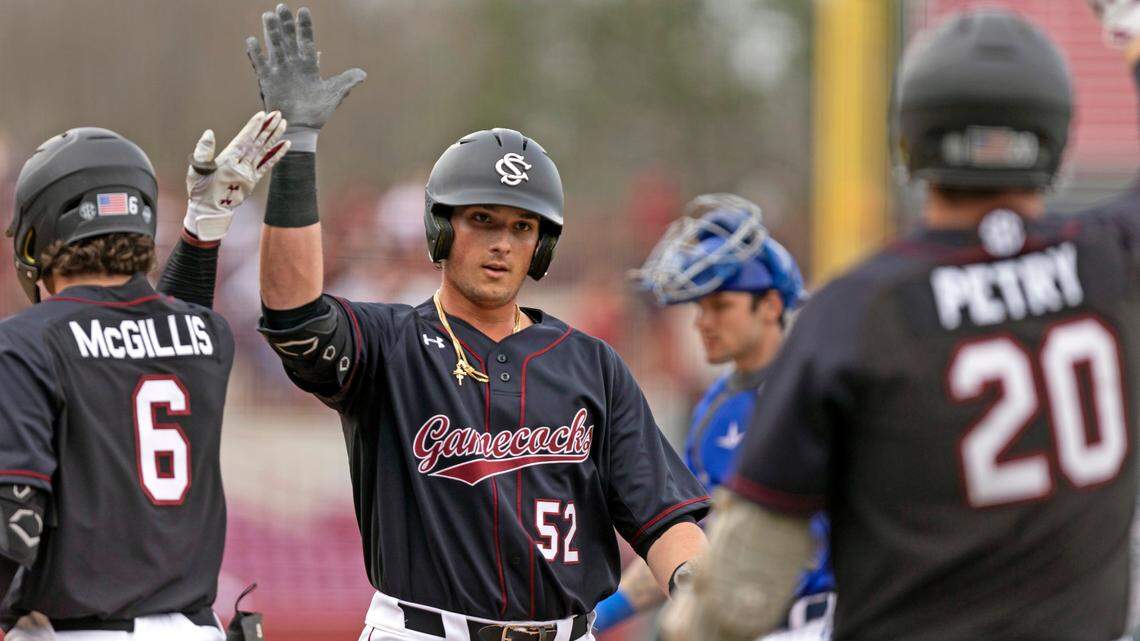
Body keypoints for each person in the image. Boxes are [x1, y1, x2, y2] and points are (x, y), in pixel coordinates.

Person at [663, 7, 1140, 641]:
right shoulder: (1112, 262)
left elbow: (741, 594)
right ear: (1055, 136)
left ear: (911, 140)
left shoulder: (852, 315)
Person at [244, 5, 710, 641]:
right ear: (441, 229)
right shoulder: (390, 345)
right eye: (482, 220)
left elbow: (662, 514)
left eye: (522, 227)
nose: (502, 244)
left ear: (542, 246)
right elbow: (293, 314)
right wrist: (297, 151)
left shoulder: (590, 365)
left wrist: (703, 589)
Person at [0, 112, 289, 640]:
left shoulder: (24, 342)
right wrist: (203, 227)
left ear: (34, 238)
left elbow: (12, 521)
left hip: (78, 630)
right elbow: (160, 325)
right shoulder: (209, 337)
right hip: (197, 629)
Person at [594, 194, 833, 638]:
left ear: (771, 307)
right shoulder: (713, 413)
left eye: (721, 305)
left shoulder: (823, 392)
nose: (702, 321)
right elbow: (696, 549)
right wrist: (595, 619)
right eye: (700, 306)